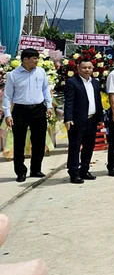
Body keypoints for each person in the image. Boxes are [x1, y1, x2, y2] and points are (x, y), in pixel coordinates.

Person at [2, 49, 53, 183]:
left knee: (39, 140)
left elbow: (45, 90)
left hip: (38, 109)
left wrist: (49, 106)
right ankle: (20, 171)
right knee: (19, 141)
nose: (37, 61)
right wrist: (8, 114)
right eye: (34, 58)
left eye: (37, 58)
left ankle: (36, 169)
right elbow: (7, 96)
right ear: (25, 59)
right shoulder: (13, 75)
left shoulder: (41, 72)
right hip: (20, 110)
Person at [63, 58, 103, 184]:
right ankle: (73, 172)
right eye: (84, 68)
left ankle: (84, 170)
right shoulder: (72, 82)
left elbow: (98, 101)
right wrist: (68, 118)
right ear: (78, 68)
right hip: (77, 121)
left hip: (92, 120)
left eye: (89, 68)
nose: (87, 70)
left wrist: (100, 118)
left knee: (89, 146)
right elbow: (68, 102)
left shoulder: (95, 82)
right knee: (75, 146)